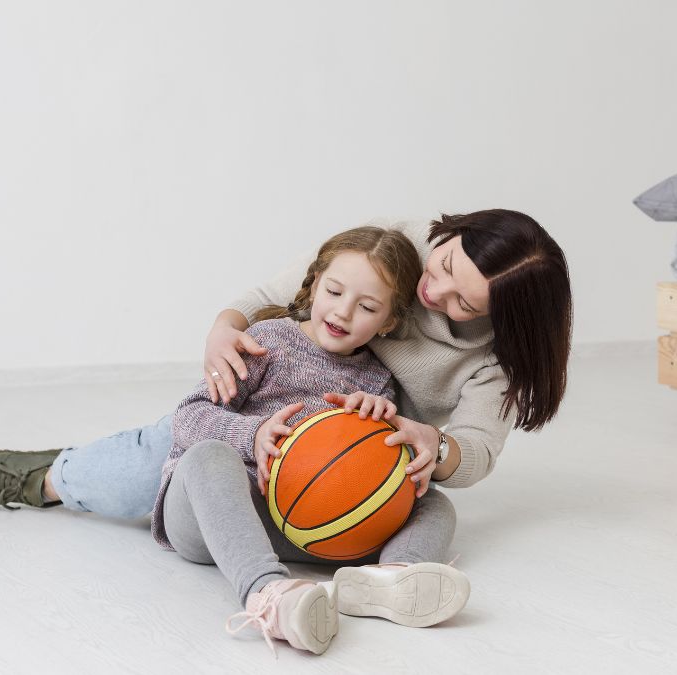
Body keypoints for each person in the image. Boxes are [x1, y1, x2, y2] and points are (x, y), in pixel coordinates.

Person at [0, 209, 574, 623]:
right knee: (165, 449)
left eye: (461, 299)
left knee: (432, 502)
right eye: (441, 266)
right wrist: (224, 333)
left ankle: (392, 582)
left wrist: (427, 443)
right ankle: (50, 478)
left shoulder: (479, 366)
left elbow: (475, 449)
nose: (432, 292)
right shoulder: (388, 255)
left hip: (327, 475)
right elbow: (272, 302)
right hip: (247, 442)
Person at [152, 225, 469, 655]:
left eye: (367, 306)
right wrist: (253, 433)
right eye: (334, 292)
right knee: (209, 456)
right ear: (314, 284)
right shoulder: (266, 343)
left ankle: (391, 579)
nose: (342, 313)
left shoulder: (377, 381)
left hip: (309, 526)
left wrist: (383, 428)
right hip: (218, 518)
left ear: (389, 321)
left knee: (430, 500)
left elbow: (376, 471)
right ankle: (267, 594)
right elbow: (188, 418)